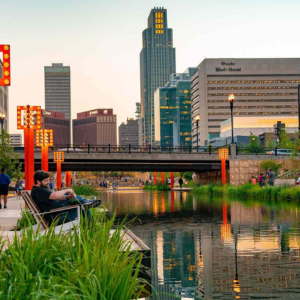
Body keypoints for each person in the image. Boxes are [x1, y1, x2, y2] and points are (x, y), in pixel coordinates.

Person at [31, 170, 101, 226]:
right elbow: (55, 196)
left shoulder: (40, 190)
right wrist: (67, 190)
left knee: (81, 205)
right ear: (38, 181)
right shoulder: (38, 191)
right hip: (56, 217)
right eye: (46, 181)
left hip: (58, 212)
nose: (48, 182)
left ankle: (85, 202)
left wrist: (67, 197)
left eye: (48, 180)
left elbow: (56, 198)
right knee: (83, 208)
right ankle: (94, 228)